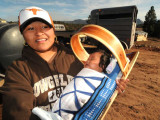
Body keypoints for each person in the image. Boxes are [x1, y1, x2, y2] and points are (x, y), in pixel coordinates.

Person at [0, 6, 128, 120]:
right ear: (23, 34)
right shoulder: (18, 69)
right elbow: (18, 112)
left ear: (53, 30)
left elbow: (95, 85)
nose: (39, 33)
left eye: (45, 26)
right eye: (31, 28)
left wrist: (112, 86)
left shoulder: (75, 58)